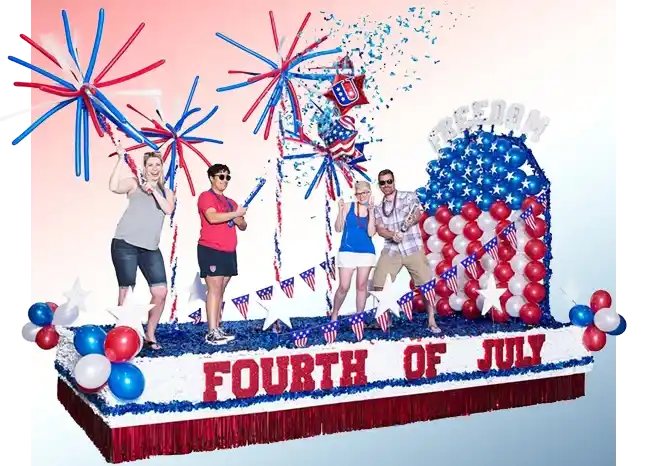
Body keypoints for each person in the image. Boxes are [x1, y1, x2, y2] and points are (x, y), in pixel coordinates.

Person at [109, 147, 176, 350]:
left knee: (161, 292)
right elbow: (113, 186)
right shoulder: (134, 183)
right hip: (125, 244)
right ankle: (120, 338)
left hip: (149, 248)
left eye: (158, 165)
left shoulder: (167, 192)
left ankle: (150, 334)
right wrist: (121, 159)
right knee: (126, 292)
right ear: (144, 168)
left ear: (162, 168)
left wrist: (154, 190)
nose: (154, 168)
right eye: (150, 165)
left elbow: (168, 209)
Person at [372, 169, 441, 333]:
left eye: (389, 181)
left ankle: (431, 319)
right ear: (379, 185)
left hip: (413, 248)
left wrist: (409, 223)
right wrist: (392, 235)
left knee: (426, 285)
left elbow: (416, 214)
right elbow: (380, 230)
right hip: (391, 251)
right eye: (383, 183)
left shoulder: (409, 196)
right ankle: (385, 319)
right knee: (378, 283)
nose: (387, 185)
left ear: (394, 181)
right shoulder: (378, 208)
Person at [197, 163, 247, 345]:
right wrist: (234, 213)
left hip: (228, 250)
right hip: (211, 248)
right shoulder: (206, 197)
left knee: (220, 290)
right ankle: (211, 332)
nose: (224, 180)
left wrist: (238, 217)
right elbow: (212, 217)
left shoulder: (231, 202)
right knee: (214, 288)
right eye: (221, 176)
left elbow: (243, 226)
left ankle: (217, 328)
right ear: (211, 178)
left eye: (227, 177)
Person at [330, 181, 376, 321]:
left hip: (366, 252)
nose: (362, 196)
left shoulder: (374, 209)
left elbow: (371, 233)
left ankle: (359, 318)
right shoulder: (349, 206)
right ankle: (335, 314)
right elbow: (338, 229)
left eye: (365, 192)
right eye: (359, 193)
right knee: (344, 286)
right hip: (347, 251)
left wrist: (372, 213)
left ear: (369, 192)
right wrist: (340, 209)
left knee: (361, 286)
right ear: (355, 194)